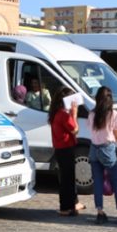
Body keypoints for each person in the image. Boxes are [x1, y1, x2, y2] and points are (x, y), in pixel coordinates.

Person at [88, 86, 117, 224]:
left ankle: (100, 212)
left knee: (97, 182)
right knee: (116, 182)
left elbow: (91, 130)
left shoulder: (92, 114)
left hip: (94, 149)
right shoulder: (112, 114)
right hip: (107, 149)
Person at [48, 87, 80, 216]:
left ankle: (70, 204)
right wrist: (74, 114)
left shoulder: (55, 112)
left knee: (66, 178)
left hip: (60, 149)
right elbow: (75, 129)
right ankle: (66, 207)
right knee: (68, 179)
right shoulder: (63, 114)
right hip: (66, 148)